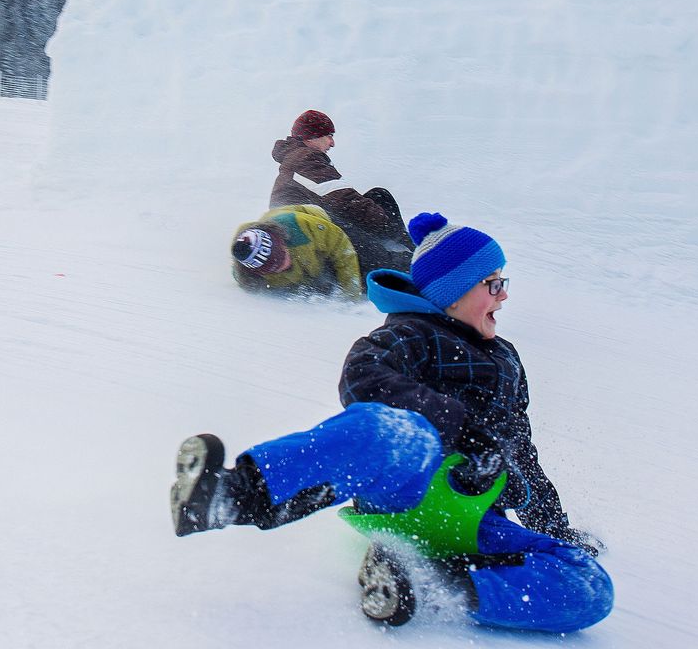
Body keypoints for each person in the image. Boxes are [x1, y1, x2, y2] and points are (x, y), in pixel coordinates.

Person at [172, 212, 613, 633]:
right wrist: (457, 426)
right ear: (453, 292)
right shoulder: (411, 333)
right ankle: (229, 497)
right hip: (406, 486)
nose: (504, 295)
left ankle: (432, 585)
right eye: (492, 283)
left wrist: (554, 528)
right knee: (391, 429)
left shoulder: (506, 359)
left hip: (473, 513)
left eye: (503, 282)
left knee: (591, 587)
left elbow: (522, 447)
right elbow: (363, 378)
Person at [270, 110, 413, 275]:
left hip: (306, 229)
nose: (332, 143)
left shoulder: (297, 157)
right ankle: (406, 263)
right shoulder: (304, 159)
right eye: (328, 135)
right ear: (311, 136)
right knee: (375, 203)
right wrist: (384, 223)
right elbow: (343, 200)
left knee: (378, 196)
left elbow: (340, 199)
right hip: (303, 236)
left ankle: (404, 246)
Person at [230, 204, 363, 299]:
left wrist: (350, 294)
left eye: (282, 256)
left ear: (281, 241)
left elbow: (342, 248)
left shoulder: (297, 228)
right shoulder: (250, 278)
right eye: (274, 268)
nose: (285, 264)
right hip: (313, 267)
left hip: (328, 229)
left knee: (374, 267)